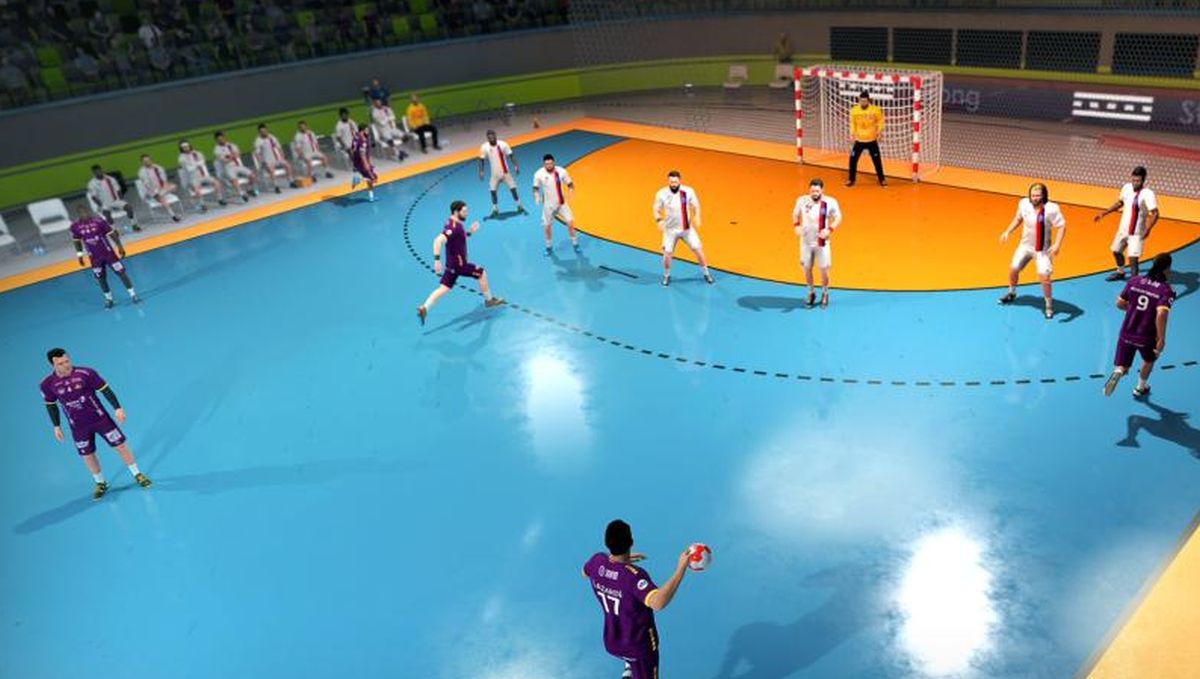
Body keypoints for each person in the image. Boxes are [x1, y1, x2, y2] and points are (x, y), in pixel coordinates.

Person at [582, 520, 692, 679]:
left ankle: (629, 669)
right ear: (631, 542)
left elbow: (585, 573)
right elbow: (658, 602)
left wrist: (618, 563)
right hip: (638, 647)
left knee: (629, 659)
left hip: (612, 641)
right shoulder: (633, 577)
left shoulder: (597, 561)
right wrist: (681, 568)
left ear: (607, 543)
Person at [40, 348, 152, 500]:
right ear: (53, 365)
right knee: (87, 454)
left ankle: (137, 474)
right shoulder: (47, 384)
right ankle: (100, 483)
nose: (66, 365)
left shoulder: (86, 373)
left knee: (120, 446)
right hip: (78, 427)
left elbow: (105, 390)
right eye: (61, 364)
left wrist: (117, 408)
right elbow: (51, 405)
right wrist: (56, 426)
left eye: (67, 361)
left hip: (101, 420)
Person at [417, 200, 505, 325]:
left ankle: (425, 308)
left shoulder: (453, 222)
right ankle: (489, 301)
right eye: (464, 211)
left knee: (444, 288)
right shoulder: (453, 227)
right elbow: (438, 241)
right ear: (456, 212)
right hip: (460, 265)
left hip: (451, 265)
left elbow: (456, 238)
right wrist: (437, 260)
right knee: (481, 273)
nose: (466, 213)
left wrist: (469, 232)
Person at [1103, 253, 1174, 398]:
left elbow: (1119, 303)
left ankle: (1119, 371)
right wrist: (1161, 339)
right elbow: (1161, 313)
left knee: (1123, 365)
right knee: (1149, 359)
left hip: (1127, 332)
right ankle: (1140, 387)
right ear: (1167, 269)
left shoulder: (1134, 281)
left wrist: (1133, 309)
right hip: (1147, 335)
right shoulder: (1166, 290)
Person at [998, 182, 1066, 320]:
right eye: (1033, 195)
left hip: (1042, 250)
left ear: (1044, 196)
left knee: (1044, 277)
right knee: (1013, 268)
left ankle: (1048, 305)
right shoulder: (1024, 204)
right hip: (1025, 246)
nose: (1035, 198)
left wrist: (1057, 244)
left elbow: (1062, 226)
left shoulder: (1051, 209)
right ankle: (1011, 293)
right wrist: (1007, 231)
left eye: (1038, 195)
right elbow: (1018, 219)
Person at [1094, 166, 1159, 282]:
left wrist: (1148, 229)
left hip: (1136, 233)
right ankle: (1120, 272)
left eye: (1138, 181)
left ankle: (1134, 283)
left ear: (1143, 181)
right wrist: (1104, 213)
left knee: (1133, 258)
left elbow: (1155, 213)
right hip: (1123, 230)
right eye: (1133, 180)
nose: (1135, 183)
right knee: (1116, 251)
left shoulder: (1148, 194)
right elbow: (1120, 203)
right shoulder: (1126, 188)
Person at [654, 170, 714, 287]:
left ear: (680, 181)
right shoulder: (661, 193)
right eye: (671, 182)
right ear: (668, 181)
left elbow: (696, 205)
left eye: (675, 182)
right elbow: (656, 208)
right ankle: (666, 275)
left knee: (698, 250)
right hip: (670, 230)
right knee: (667, 254)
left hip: (687, 229)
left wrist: (697, 216)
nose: (673, 184)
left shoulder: (688, 191)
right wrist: (659, 220)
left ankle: (706, 273)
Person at [70, 207, 139, 308]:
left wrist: (120, 246)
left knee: (121, 273)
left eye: (86, 212)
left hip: (109, 254)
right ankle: (109, 299)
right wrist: (79, 255)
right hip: (94, 258)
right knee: (100, 278)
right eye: (82, 213)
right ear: (78, 215)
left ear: (89, 212)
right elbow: (77, 241)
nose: (84, 215)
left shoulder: (99, 221)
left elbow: (111, 234)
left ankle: (133, 295)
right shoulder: (75, 226)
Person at [792, 178, 842, 307]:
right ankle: (811, 292)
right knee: (806, 268)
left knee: (824, 269)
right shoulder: (802, 200)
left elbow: (838, 217)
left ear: (822, 191)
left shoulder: (830, 202)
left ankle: (825, 293)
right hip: (806, 241)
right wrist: (796, 226)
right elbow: (795, 215)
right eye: (812, 191)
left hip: (822, 242)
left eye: (817, 191)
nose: (815, 193)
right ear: (809, 190)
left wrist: (829, 229)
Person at [531, 154, 580, 256]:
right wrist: (536, 195)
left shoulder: (561, 171)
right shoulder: (538, 174)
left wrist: (571, 189)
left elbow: (569, 183)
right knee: (547, 226)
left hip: (561, 203)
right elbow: (535, 187)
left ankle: (575, 244)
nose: (549, 166)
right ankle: (548, 247)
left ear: (554, 163)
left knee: (570, 223)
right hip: (548, 206)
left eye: (550, 163)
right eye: (546, 164)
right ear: (544, 164)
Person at [477, 129, 523, 216]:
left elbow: (511, 155)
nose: (491, 138)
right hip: (494, 175)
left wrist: (516, 166)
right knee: (492, 191)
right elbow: (481, 160)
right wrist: (481, 171)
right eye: (489, 137)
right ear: (487, 138)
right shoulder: (484, 147)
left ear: (495, 136)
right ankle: (495, 209)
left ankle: (519, 205)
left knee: (513, 189)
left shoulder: (503, 144)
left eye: (492, 136)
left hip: (506, 173)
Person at [846, 91, 886, 188]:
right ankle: (851, 179)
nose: (863, 103)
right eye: (861, 101)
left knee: (877, 161)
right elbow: (852, 123)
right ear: (859, 100)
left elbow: (880, 121)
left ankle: (882, 179)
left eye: (865, 101)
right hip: (859, 141)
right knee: (852, 160)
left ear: (868, 101)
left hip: (871, 140)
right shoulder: (854, 110)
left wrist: (880, 132)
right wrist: (852, 134)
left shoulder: (875, 110)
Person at [85, 164, 141, 232]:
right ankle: (114, 230)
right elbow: (94, 197)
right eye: (96, 172)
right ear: (93, 173)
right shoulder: (92, 183)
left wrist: (120, 201)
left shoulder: (110, 179)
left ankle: (134, 224)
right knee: (106, 213)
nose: (98, 173)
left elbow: (118, 190)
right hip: (105, 203)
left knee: (129, 207)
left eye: (99, 171)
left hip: (115, 200)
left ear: (101, 170)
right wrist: (101, 206)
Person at [177, 140, 228, 209]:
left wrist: (193, 164)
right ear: (181, 149)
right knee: (196, 189)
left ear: (189, 146)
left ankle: (220, 199)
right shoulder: (181, 158)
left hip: (204, 175)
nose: (186, 148)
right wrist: (197, 164)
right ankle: (202, 203)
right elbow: (189, 169)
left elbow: (203, 162)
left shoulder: (197, 153)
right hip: (193, 177)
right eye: (184, 147)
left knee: (216, 182)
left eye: (187, 146)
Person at [212, 130, 258, 200]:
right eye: (219, 140)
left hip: (237, 166)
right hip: (228, 168)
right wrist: (233, 156)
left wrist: (230, 156)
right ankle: (241, 194)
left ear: (224, 137)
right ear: (216, 141)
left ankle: (249, 189)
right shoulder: (216, 150)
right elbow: (225, 160)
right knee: (234, 180)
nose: (221, 141)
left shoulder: (231, 145)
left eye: (222, 139)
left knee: (253, 176)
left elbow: (238, 153)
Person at [136, 154, 183, 222]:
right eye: (145, 161)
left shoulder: (158, 167)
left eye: (148, 160)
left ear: (151, 160)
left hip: (162, 188)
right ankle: (173, 215)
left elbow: (164, 179)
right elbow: (147, 184)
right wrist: (156, 190)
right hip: (152, 191)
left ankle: (162, 193)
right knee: (161, 197)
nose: (147, 162)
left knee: (174, 186)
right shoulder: (142, 172)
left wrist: (165, 186)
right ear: (143, 162)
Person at [252, 123, 295, 193]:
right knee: (272, 170)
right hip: (268, 161)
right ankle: (276, 186)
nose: (264, 133)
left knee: (288, 165)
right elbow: (257, 154)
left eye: (265, 131)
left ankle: (291, 182)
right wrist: (262, 162)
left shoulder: (272, 137)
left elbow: (279, 147)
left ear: (267, 130)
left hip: (277, 158)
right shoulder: (258, 141)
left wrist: (282, 156)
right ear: (259, 132)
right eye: (262, 132)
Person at [349, 123, 378, 202]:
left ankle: (371, 197)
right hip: (362, 162)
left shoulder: (356, 136)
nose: (368, 131)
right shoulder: (363, 141)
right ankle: (358, 179)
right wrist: (366, 164)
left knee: (369, 179)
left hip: (356, 161)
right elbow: (362, 154)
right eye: (367, 129)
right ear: (363, 130)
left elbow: (352, 149)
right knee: (374, 178)